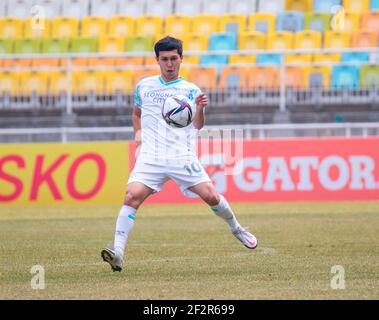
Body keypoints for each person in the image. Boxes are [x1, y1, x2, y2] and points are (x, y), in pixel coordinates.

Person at [101, 36, 257, 272]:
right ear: (157, 60)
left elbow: (198, 126)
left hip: (181, 156)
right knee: (131, 196)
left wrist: (201, 108)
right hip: (151, 156)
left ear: (181, 58)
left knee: (212, 197)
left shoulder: (191, 90)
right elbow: (136, 114)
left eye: (174, 58)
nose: (169, 64)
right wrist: (138, 138)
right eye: (164, 59)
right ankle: (118, 254)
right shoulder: (144, 86)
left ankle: (237, 228)